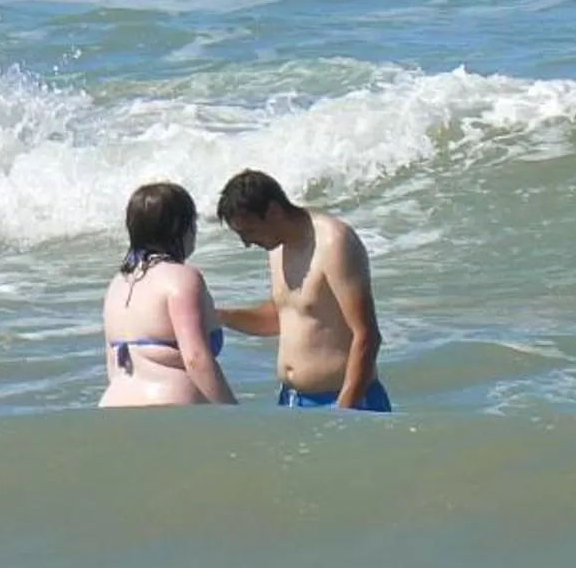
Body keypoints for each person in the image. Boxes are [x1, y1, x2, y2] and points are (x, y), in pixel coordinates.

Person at [214, 171, 388, 411]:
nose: (246, 243)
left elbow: (367, 335)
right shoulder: (277, 249)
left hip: (344, 401)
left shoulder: (333, 242)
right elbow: (283, 318)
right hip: (291, 401)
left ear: (274, 211)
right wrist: (222, 317)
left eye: (249, 232)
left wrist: (344, 411)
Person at [100, 182, 235, 408]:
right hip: (167, 409)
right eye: (192, 222)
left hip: (113, 409)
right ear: (178, 226)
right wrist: (234, 415)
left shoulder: (117, 285)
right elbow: (196, 359)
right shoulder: (182, 278)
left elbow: (113, 366)